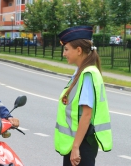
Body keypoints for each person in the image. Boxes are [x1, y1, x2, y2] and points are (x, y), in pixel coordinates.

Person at [54, 25, 112, 166]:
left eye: (66, 49)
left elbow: (86, 114)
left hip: (81, 144)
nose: (64, 53)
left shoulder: (87, 75)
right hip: (80, 141)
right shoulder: (83, 72)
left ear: (79, 50)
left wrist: (75, 148)